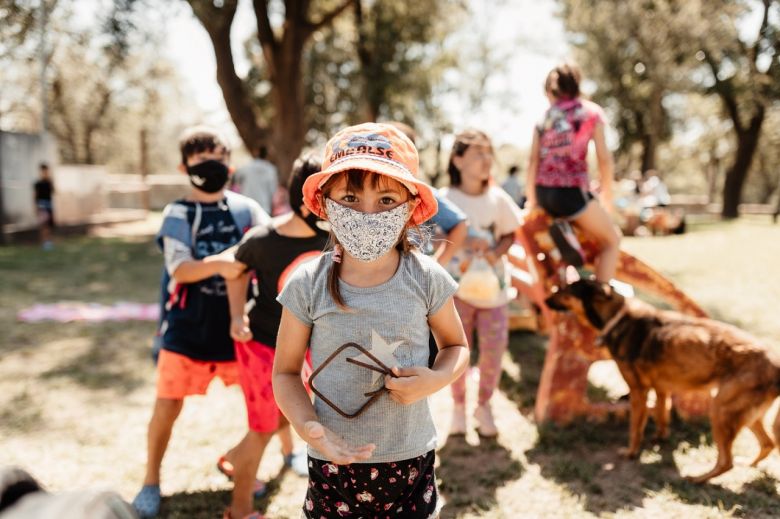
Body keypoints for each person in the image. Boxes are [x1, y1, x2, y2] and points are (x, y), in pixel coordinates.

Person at [272, 122, 469, 518]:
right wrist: (308, 426)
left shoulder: (426, 277)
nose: (365, 213)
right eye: (349, 197)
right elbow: (285, 373)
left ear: (411, 206)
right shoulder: (307, 283)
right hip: (332, 467)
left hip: (411, 461)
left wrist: (436, 378)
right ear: (324, 204)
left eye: (385, 200)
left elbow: (456, 346)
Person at [132, 127, 269, 518]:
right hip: (186, 329)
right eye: (202, 160)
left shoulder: (248, 211)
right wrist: (229, 262)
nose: (212, 166)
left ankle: (243, 461)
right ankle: (150, 481)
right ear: (183, 167)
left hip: (240, 329)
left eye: (219, 158)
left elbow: (268, 247)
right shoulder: (178, 213)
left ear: (230, 163)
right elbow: (181, 268)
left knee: (269, 405)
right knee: (166, 408)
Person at [223, 154, 330, 519]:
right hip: (262, 344)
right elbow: (235, 272)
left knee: (284, 414)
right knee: (262, 427)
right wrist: (237, 316)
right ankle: (238, 510)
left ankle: (234, 459)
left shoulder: (333, 238)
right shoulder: (264, 239)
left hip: (305, 349)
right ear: (304, 198)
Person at [440, 129, 523, 438]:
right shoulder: (444, 199)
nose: (486, 160)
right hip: (456, 293)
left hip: (495, 293)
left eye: (489, 153)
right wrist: (462, 240)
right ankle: (459, 407)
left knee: (494, 350)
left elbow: (510, 233)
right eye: (477, 154)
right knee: (456, 351)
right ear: (458, 159)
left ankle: (484, 405)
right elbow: (432, 234)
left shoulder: (498, 198)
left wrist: (495, 253)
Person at [525, 62, 621, 282]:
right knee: (612, 240)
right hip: (570, 193)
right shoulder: (590, 112)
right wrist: (607, 195)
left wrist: (532, 199)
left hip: (543, 192)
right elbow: (604, 159)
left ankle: (569, 272)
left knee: (569, 239)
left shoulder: (544, 117)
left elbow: (533, 160)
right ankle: (600, 302)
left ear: (550, 91)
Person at [232, 145, 279, 215]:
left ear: (256, 153)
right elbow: (273, 190)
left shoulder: (246, 167)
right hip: (264, 207)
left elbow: (235, 179)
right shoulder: (271, 170)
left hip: (247, 205)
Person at [33, 163, 55, 250]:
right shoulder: (38, 183)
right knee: (43, 225)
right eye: (43, 171)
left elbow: (54, 192)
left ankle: (49, 242)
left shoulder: (49, 182)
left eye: (46, 171)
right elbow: (34, 196)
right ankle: (44, 242)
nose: (45, 173)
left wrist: (51, 181)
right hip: (41, 205)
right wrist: (35, 207)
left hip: (49, 205)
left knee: (49, 225)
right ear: (40, 172)